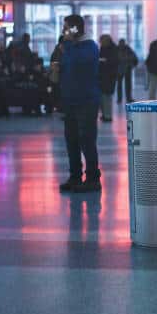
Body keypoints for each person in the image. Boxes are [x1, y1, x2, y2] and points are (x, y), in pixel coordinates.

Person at [59, 15, 101, 193]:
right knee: (72, 140)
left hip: (87, 101)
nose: (63, 31)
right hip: (70, 101)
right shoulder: (69, 46)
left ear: (75, 29)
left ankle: (92, 178)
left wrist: (67, 44)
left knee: (86, 140)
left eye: (67, 28)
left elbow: (76, 62)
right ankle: (75, 176)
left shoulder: (89, 46)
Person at [98, 34, 119, 122]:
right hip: (104, 76)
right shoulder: (105, 48)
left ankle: (108, 115)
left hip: (109, 76)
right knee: (103, 97)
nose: (100, 43)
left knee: (107, 96)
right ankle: (105, 114)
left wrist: (104, 61)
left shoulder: (112, 49)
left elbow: (113, 62)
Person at [116, 39, 138, 103]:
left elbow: (115, 59)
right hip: (127, 68)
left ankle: (119, 99)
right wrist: (133, 64)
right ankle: (128, 98)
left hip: (120, 69)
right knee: (128, 85)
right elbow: (134, 57)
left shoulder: (117, 49)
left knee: (119, 85)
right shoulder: (128, 48)